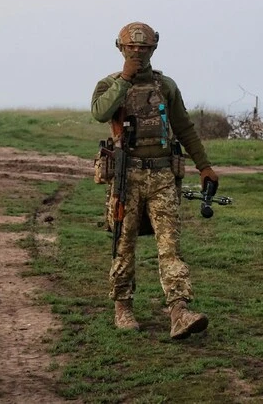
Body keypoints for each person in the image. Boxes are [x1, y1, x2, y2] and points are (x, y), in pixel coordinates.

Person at [91, 22, 219, 340]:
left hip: (162, 174)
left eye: (144, 48)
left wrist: (204, 167)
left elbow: (184, 127)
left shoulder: (166, 86)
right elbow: (100, 113)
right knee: (123, 245)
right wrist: (124, 79)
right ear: (120, 48)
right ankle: (123, 306)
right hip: (126, 177)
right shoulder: (109, 84)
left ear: (154, 49)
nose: (138, 53)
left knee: (170, 247)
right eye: (131, 48)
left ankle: (179, 310)